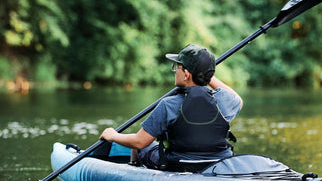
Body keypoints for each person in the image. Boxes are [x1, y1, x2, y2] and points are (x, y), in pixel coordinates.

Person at [99, 44, 243, 171]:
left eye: (177, 67)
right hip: (218, 164)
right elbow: (237, 99)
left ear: (186, 74)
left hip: (179, 165)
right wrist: (203, 75)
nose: (175, 71)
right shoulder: (224, 100)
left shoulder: (168, 104)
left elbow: (139, 141)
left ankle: (133, 168)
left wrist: (113, 135)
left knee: (141, 148)